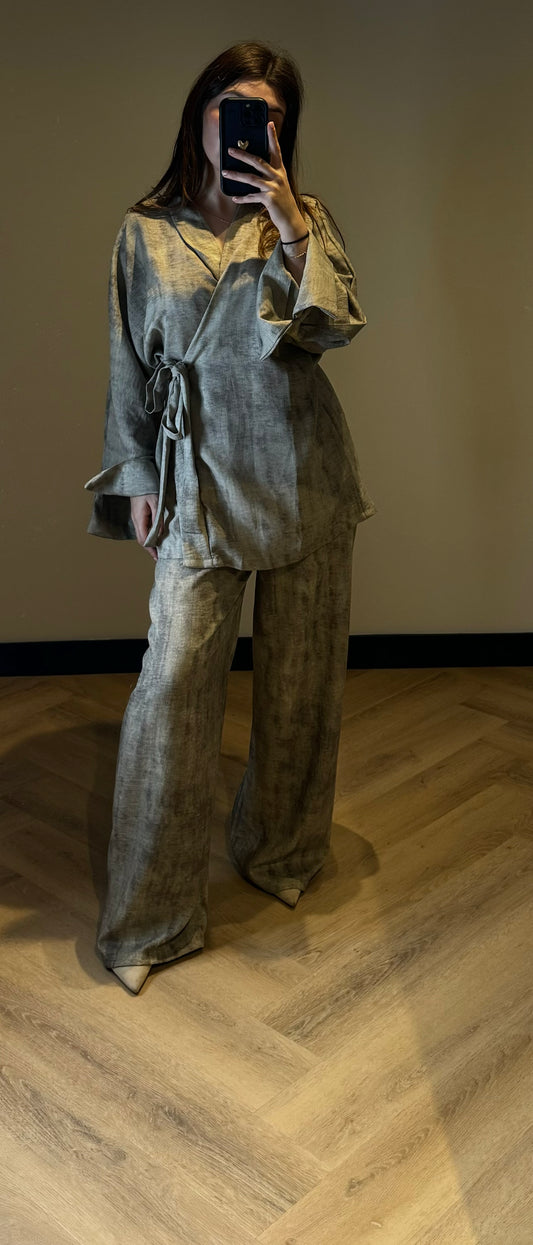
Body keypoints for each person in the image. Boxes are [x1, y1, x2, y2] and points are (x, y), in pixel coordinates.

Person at [84, 40, 377, 994]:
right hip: (198, 480)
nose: (251, 128)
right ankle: (152, 915)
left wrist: (289, 224)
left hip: (303, 475)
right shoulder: (144, 231)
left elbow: (333, 326)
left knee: (300, 684)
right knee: (172, 693)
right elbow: (128, 364)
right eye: (235, 108)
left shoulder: (300, 219)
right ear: (200, 114)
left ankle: (278, 850)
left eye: (270, 117)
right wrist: (137, 474)